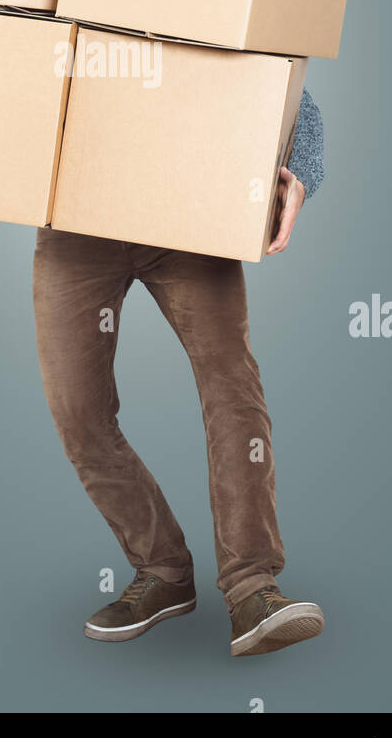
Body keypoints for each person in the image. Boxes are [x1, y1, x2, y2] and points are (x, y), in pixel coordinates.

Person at [32, 86, 325, 657]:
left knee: (230, 388)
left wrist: (304, 169)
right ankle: (163, 572)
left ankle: (252, 588)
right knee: (76, 409)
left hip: (188, 208)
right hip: (75, 217)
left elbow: (279, 70)